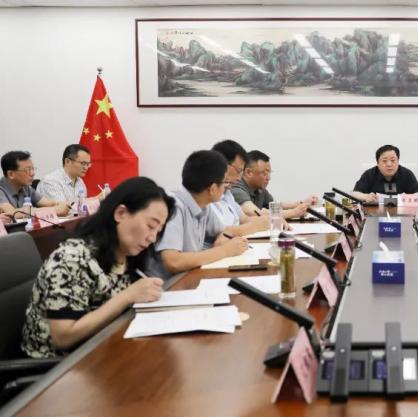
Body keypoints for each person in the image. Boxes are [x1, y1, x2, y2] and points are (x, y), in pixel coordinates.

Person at [21, 177, 174, 358]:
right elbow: (63, 337)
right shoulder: (72, 258)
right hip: (60, 364)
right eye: (150, 226)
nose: (152, 238)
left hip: (105, 347)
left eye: (158, 230)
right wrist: (127, 296)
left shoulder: (128, 253)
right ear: (121, 213)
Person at [150, 150, 250, 276]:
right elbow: (173, 262)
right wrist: (224, 251)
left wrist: (225, 238)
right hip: (167, 283)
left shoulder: (203, 204)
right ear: (212, 189)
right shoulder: (174, 206)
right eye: (225, 182)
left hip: (189, 276)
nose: (226, 186)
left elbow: (224, 230)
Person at [207, 140, 271, 243]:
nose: (239, 178)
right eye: (238, 171)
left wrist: (270, 220)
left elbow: (244, 219)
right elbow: (224, 234)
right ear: (223, 165)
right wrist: (255, 226)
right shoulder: (205, 195)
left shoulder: (227, 193)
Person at [231, 150, 315, 218]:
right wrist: (294, 212)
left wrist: (301, 204)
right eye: (265, 173)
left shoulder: (259, 188)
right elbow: (254, 213)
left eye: (269, 173)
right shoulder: (236, 187)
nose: (269, 178)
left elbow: (275, 206)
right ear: (249, 172)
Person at [0, 151, 69, 218]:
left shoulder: (26, 187)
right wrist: (54, 210)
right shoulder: (1, 190)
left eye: (32, 169)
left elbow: (48, 203)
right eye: (27, 170)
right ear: (11, 174)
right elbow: (12, 213)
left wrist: (61, 204)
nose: (32, 174)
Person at [352, 144, 418, 203]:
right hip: (374, 213)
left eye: (393, 160)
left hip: (403, 213)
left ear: (398, 161)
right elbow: (354, 194)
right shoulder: (369, 174)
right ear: (378, 163)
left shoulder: (406, 174)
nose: (389, 164)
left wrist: (406, 198)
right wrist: (366, 196)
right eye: (384, 161)